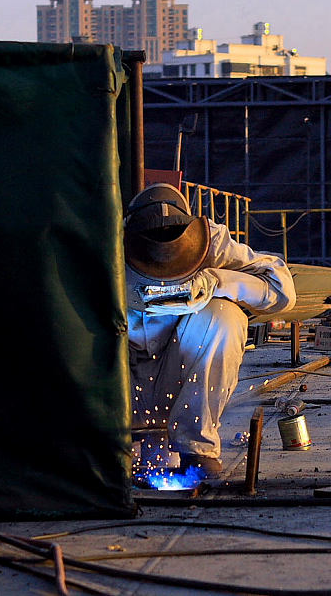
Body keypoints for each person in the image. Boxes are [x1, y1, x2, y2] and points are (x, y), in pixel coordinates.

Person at [124, 183, 296, 476]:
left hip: (178, 386)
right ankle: (103, 445)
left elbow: (282, 292)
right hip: (119, 389)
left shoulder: (209, 243)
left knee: (225, 317)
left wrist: (218, 281)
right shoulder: (104, 244)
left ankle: (196, 446)